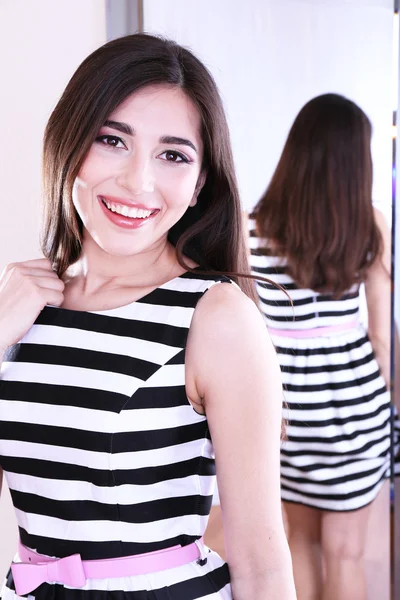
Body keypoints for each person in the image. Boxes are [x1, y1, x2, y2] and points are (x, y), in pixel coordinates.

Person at [0, 34, 295, 600]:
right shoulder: (25, 303)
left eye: (173, 155)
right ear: (70, 141)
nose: (138, 182)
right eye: (113, 140)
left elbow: (261, 563)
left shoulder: (215, 315)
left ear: (199, 182)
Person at [248, 93, 392, 600]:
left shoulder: (252, 226)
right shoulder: (369, 224)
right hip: (352, 407)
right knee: (346, 554)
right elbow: (380, 334)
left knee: (299, 545)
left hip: (284, 409)